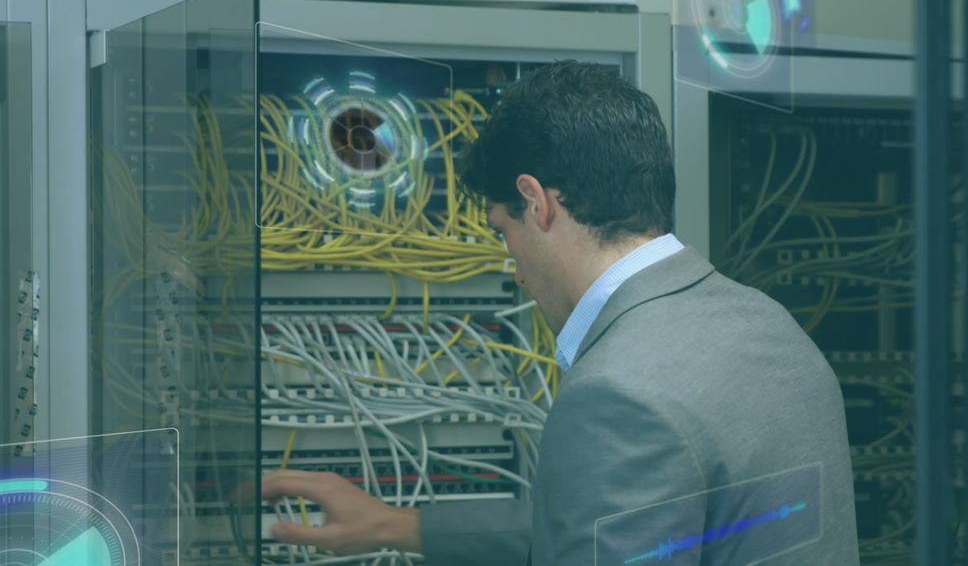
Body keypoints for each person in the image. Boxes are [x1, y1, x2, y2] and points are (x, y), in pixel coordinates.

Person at [262, 60, 860, 565]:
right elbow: (638, 525)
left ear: (536, 202)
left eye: (504, 234)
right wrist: (400, 527)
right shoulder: (767, 324)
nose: (515, 270)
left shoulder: (619, 395)